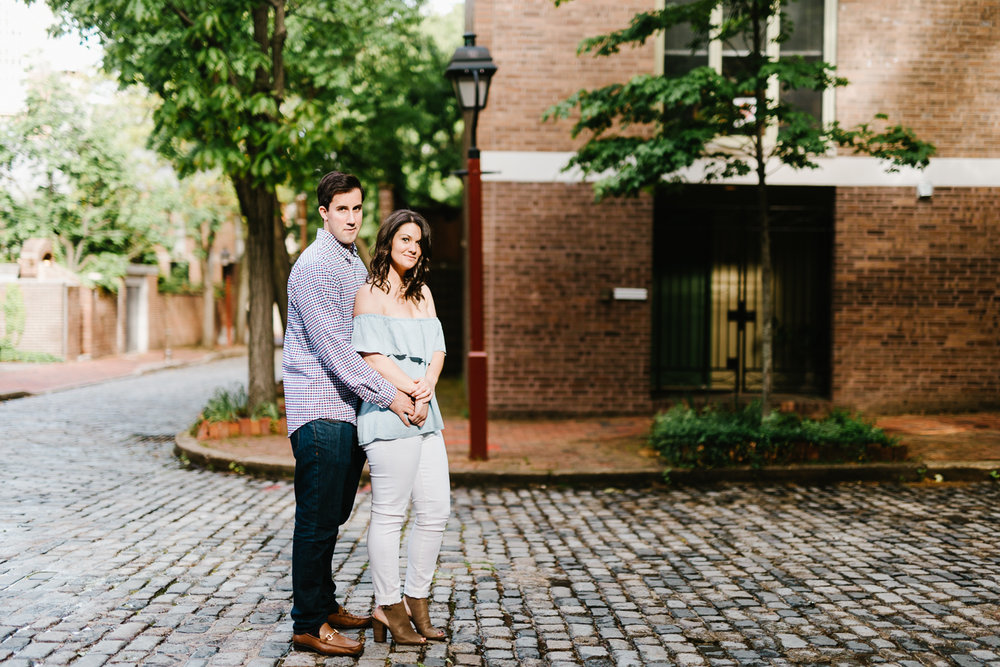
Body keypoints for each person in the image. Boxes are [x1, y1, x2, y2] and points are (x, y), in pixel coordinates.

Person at [282, 172, 419, 657]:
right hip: (320, 410)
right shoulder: (315, 264)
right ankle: (308, 624)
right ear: (323, 212)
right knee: (317, 520)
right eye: (342, 209)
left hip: (345, 411)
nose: (352, 217)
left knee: (334, 514)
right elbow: (336, 351)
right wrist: (390, 395)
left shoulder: (349, 259)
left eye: (358, 208)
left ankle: (325, 603)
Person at [352, 209, 450, 645]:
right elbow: (371, 357)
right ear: (388, 241)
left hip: (426, 408)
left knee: (436, 510)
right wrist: (410, 389)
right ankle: (388, 606)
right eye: (405, 239)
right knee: (390, 513)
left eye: (418, 241)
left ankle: (417, 600)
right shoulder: (368, 293)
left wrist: (427, 384)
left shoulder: (423, 293)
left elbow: (438, 349)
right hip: (388, 409)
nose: (412, 247)